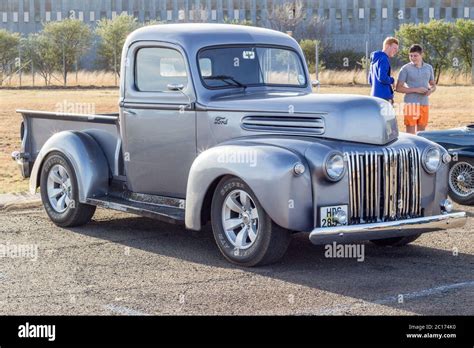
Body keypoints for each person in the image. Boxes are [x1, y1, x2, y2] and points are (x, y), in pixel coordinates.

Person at [396, 44, 436, 134]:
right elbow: (398, 88)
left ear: (421, 55)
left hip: (424, 104)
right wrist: (416, 90)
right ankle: (410, 149)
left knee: (421, 133)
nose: (413, 58)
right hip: (410, 104)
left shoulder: (429, 68)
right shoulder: (405, 69)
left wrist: (430, 90)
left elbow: (433, 85)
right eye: (411, 55)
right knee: (410, 134)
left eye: (415, 55)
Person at [368, 37, 399, 104]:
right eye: (394, 48)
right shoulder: (384, 59)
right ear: (387, 46)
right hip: (384, 98)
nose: (396, 51)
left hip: (374, 96)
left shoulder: (375, 59)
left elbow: (370, 80)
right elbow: (382, 78)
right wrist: (392, 80)